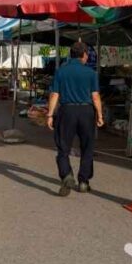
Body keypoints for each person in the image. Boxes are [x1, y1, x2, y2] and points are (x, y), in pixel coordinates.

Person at [46, 41, 104, 196]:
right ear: (84, 55)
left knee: (63, 148)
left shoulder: (61, 72)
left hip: (67, 111)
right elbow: (95, 96)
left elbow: (55, 94)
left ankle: (66, 175)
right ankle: (84, 182)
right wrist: (100, 114)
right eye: (87, 55)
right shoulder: (91, 73)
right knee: (87, 147)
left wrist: (50, 114)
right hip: (86, 111)